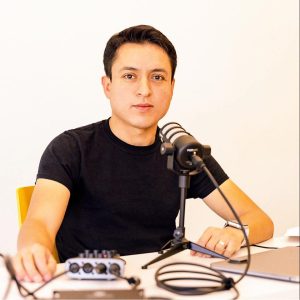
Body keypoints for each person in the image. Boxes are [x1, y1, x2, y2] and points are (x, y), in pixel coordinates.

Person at [13, 25, 274, 283]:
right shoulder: (71, 148)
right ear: (107, 85)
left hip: (159, 283)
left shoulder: (183, 151)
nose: (144, 90)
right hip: (90, 286)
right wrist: (33, 249)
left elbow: (260, 220)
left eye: (158, 77)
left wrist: (237, 233)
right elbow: (39, 225)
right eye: (129, 76)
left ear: (172, 86)